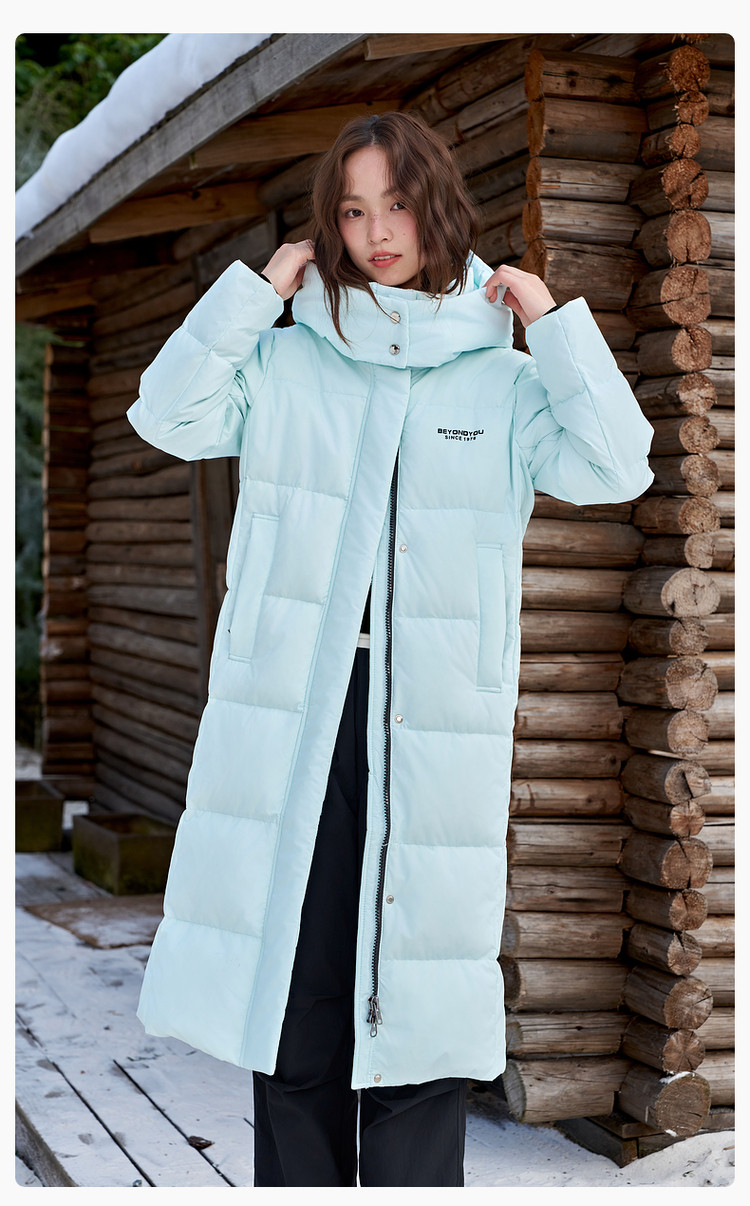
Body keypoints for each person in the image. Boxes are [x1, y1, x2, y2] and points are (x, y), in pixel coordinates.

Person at [128, 111, 654, 1187]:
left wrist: (552, 324)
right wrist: (252, 295)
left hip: (434, 721)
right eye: (353, 210)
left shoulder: (502, 380)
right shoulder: (286, 361)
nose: (377, 232)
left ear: (439, 207)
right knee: (301, 991)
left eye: (398, 204)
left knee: (421, 1003)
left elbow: (617, 465)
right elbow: (166, 415)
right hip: (302, 714)